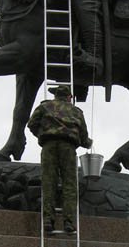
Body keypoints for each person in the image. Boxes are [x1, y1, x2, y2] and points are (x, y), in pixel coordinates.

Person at [27, 84, 92, 234]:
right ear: (69, 97)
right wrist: (88, 143)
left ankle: (48, 220)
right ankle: (68, 221)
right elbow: (83, 136)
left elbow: (32, 124)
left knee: (49, 182)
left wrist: (43, 133)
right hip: (68, 147)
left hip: (49, 146)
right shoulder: (76, 111)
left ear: (55, 95)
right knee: (69, 184)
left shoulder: (44, 107)